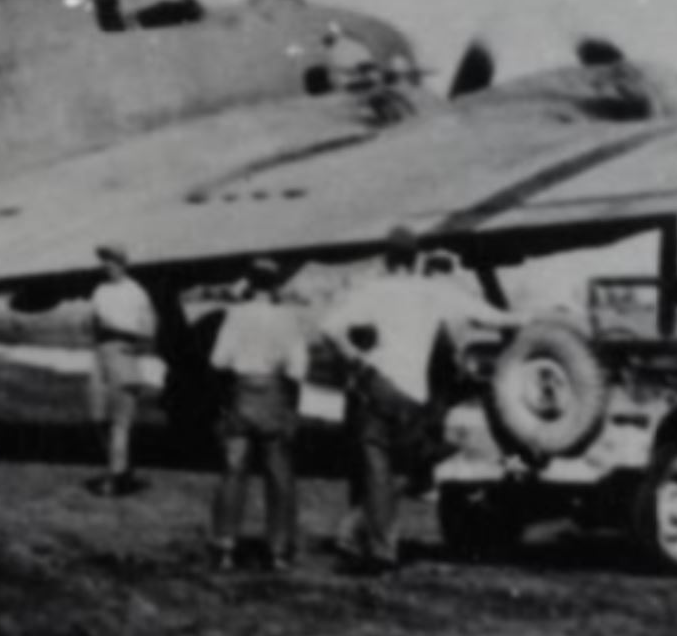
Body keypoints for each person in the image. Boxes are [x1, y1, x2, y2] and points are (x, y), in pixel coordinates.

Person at [324, 240, 518, 572]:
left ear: (387, 260)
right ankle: (376, 546)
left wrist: (357, 361)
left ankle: (367, 541)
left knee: (376, 468)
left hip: (378, 383)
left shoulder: (375, 290)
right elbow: (495, 317)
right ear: (416, 261)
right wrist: (540, 316)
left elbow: (328, 327)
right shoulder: (434, 292)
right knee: (404, 471)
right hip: (413, 394)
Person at [207, 260, 308, 568]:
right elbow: (298, 368)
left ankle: (225, 545)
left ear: (250, 283)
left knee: (233, 470)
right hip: (274, 392)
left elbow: (218, 361)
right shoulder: (287, 317)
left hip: (241, 393)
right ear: (276, 285)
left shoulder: (235, 315)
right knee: (279, 473)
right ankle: (278, 550)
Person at [85, 244, 159, 495]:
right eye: (105, 261)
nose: (108, 266)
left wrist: (134, 350)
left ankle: (116, 476)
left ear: (123, 264)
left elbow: (148, 329)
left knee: (121, 420)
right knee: (97, 416)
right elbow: (93, 322)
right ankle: (120, 468)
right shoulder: (100, 290)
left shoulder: (136, 292)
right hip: (101, 352)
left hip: (123, 350)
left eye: (113, 261)